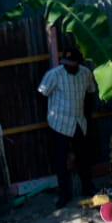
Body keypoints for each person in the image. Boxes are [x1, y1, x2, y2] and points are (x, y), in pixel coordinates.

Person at [38, 46, 98, 209]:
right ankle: (64, 194)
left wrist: (88, 117)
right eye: (66, 63)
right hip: (59, 123)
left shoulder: (86, 73)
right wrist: (50, 116)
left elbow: (90, 94)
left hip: (79, 122)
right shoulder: (54, 75)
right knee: (61, 161)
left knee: (83, 157)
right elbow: (42, 95)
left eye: (72, 63)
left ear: (78, 63)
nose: (68, 66)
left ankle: (87, 187)